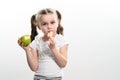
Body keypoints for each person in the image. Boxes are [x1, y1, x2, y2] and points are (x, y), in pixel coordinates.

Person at [18, 8, 69, 80]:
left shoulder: (62, 40)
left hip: (56, 78)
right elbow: (34, 68)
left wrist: (53, 48)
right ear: (39, 26)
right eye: (44, 24)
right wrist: (27, 50)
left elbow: (63, 64)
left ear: (58, 22)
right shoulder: (37, 41)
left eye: (52, 22)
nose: (49, 27)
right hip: (39, 77)